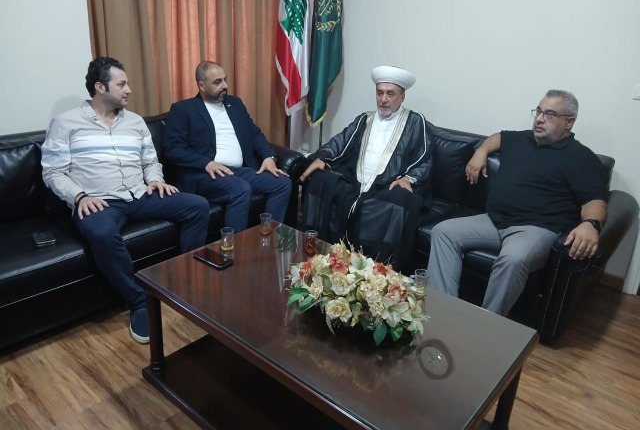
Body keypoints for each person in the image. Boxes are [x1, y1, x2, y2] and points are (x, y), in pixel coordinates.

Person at [41, 57, 210, 344]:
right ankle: (139, 301)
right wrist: (79, 196)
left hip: (139, 194)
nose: (129, 89)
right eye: (122, 84)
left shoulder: (135, 122)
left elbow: (150, 162)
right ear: (100, 87)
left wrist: (155, 179)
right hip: (99, 201)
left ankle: (186, 282)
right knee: (103, 234)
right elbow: (53, 172)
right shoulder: (66, 123)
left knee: (197, 206)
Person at [427, 89, 609, 316]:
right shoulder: (522, 139)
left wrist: (591, 224)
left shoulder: (582, 158)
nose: (540, 119)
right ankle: (441, 310)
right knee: (443, 231)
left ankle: (486, 324)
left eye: (549, 114)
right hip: (494, 221)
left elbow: (595, 200)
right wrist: (481, 151)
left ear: (569, 122)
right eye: (538, 111)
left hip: (534, 229)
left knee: (514, 258)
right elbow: (498, 137)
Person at [299, 65, 435, 272]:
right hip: (356, 181)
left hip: (388, 185)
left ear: (402, 97)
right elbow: (341, 141)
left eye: (390, 94)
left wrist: (408, 178)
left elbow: (425, 158)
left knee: (400, 200)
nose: (383, 99)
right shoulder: (365, 119)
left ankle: (376, 270)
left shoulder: (416, 122)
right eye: (380, 93)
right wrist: (322, 158)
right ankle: (319, 255)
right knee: (320, 179)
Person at [163, 61, 292, 231]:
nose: (225, 86)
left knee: (282, 182)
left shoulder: (235, 104)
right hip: (205, 174)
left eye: (225, 80)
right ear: (201, 85)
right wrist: (206, 163)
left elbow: (254, 133)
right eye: (217, 82)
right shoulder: (184, 109)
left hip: (239, 171)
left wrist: (268, 157)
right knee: (240, 189)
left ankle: (270, 237)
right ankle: (233, 246)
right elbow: (172, 149)